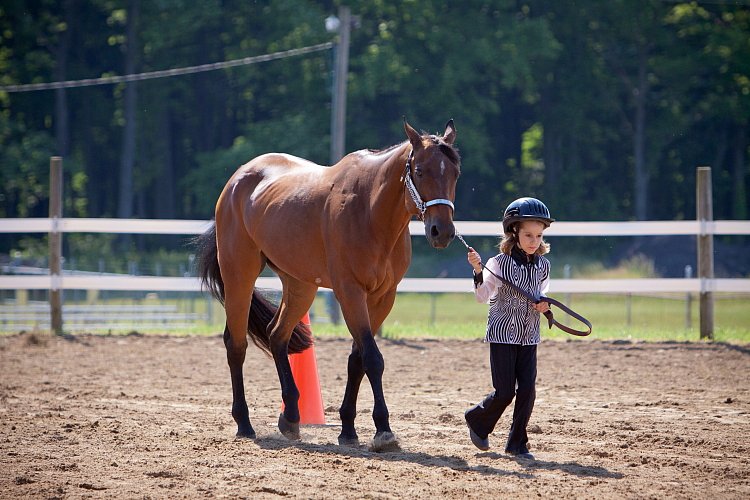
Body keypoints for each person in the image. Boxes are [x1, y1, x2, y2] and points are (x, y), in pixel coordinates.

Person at [464, 197, 554, 460]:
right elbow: (482, 296)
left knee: (527, 390)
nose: (533, 241)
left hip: (529, 336)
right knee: (505, 392)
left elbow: (541, 294)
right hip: (503, 335)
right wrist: (478, 271)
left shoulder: (544, 266)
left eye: (538, 236)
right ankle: (477, 419)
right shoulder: (498, 263)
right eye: (528, 235)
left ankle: (517, 443)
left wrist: (544, 306)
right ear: (514, 231)